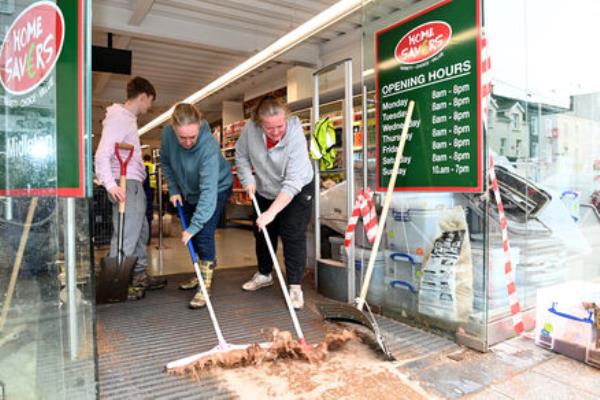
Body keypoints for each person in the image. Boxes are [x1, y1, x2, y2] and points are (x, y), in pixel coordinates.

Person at [236, 96, 314, 309]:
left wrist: (271, 212)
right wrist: (247, 179)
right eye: (269, 128)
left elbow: (293, 182)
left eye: (280, 126)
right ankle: (264, 274)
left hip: (296, 189)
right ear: (259, 124)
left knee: (292, 233)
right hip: (264, 186)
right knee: (262, 231)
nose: (276, 132)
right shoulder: (250, 130)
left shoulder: (295, 135)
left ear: (286, 119)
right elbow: (241, 156)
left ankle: (295, 286)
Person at [94, 76, 167, 300]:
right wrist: (109, 184)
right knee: (127, 234)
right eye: (149, 101)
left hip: (133, 183)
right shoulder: (119, 118)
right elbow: (101, 155)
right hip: (126, 184)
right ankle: (116, 284)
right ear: (143, 96)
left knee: (140, 231)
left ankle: (138, 274)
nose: (149, 107)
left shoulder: (127, 119)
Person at [160, 103, 233, 309]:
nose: (189, 142)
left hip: (216, 188)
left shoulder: (208, 145)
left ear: (200, 126)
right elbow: (165, 161)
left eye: (193, 136)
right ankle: (201, 274)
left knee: (203, 233)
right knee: (196, 234)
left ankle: (205, 286)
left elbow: (209, 191)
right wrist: (173, 189)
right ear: (173, 129)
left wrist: (194, 226)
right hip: (187, 189)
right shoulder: (167, 135)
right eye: (183, 138)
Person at [143, 154, 155, 243]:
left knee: (146, 214)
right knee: (149, 214)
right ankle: (148, 239)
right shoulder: (152, 166)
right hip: (152, 189)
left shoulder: (143, 166)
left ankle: (146, 239)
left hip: (145, 190)